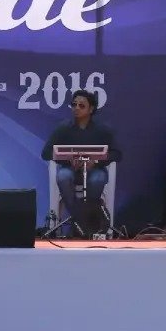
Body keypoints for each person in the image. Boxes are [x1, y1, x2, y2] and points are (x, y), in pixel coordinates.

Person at [41, 89, 121, 236]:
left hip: (95, 170)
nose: (76, 108)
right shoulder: (63, 129)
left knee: (98, 179)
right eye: (74, 104)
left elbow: (117, 153)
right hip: (70, 170)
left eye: (81, 105)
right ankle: (83, 221)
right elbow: (46, 153)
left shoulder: (102, 130)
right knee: (63, 177)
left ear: (91, 109)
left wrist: (95, 162)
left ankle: (80, 222)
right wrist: (68, 160)